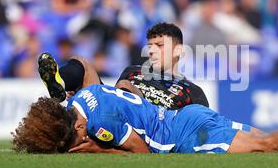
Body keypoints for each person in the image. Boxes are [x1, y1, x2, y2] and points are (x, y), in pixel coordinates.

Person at [12, 83, 278, 155]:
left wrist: (91, 151)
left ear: (75, 126)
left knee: (269, 145)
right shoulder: (84, 96)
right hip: (188, 116)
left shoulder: (99, 127)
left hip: (185, 137)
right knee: (277, 143)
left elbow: (142, 153)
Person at [38, 22, 209, 109]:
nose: (151, 51)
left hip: (152, 128)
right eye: (149, 46)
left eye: (159, 46)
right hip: (114, 114)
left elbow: (198, 127)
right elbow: (112, 96)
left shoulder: (192, 92)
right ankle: (60, 85)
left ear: (178, 51)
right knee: (81, 62)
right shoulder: (132, 71)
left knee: (124, 85)